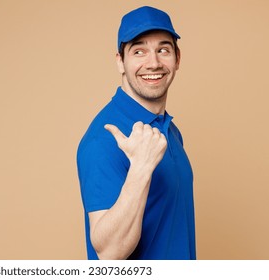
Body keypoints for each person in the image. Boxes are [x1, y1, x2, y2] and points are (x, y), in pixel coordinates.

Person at [76, 6, 196, 260]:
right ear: (120, 61)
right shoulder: (106, 138)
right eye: (138, 51)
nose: (153, 63)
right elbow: (108, 254)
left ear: (177, 59)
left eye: (163, 50)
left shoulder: (168, 129)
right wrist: (141, 168)